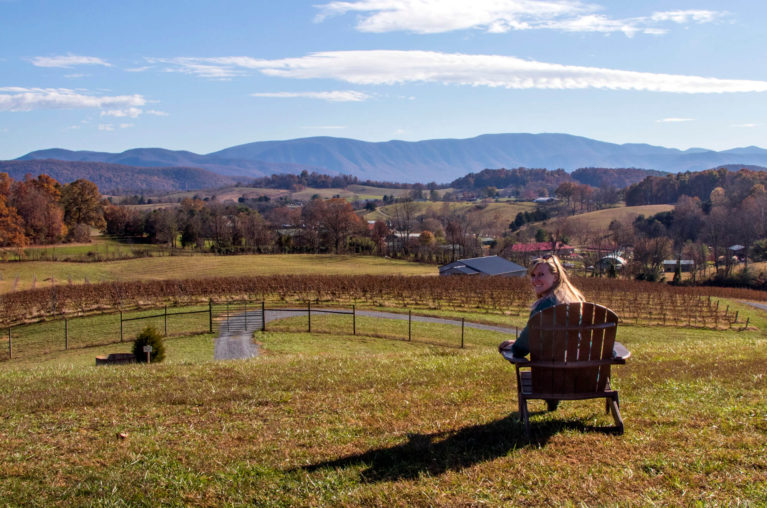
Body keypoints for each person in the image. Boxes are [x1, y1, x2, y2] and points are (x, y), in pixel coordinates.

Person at [498, 254, 585, 411]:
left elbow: (522, 348)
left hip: (550, 381)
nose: (535, 280)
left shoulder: (545, 306)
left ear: (555, 276)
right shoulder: (575, 301)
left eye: (541, 275)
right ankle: (552, 403)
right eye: (533, 275)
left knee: (549, 366)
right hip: (585, 377)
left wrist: (514, 346)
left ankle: (551, 399)